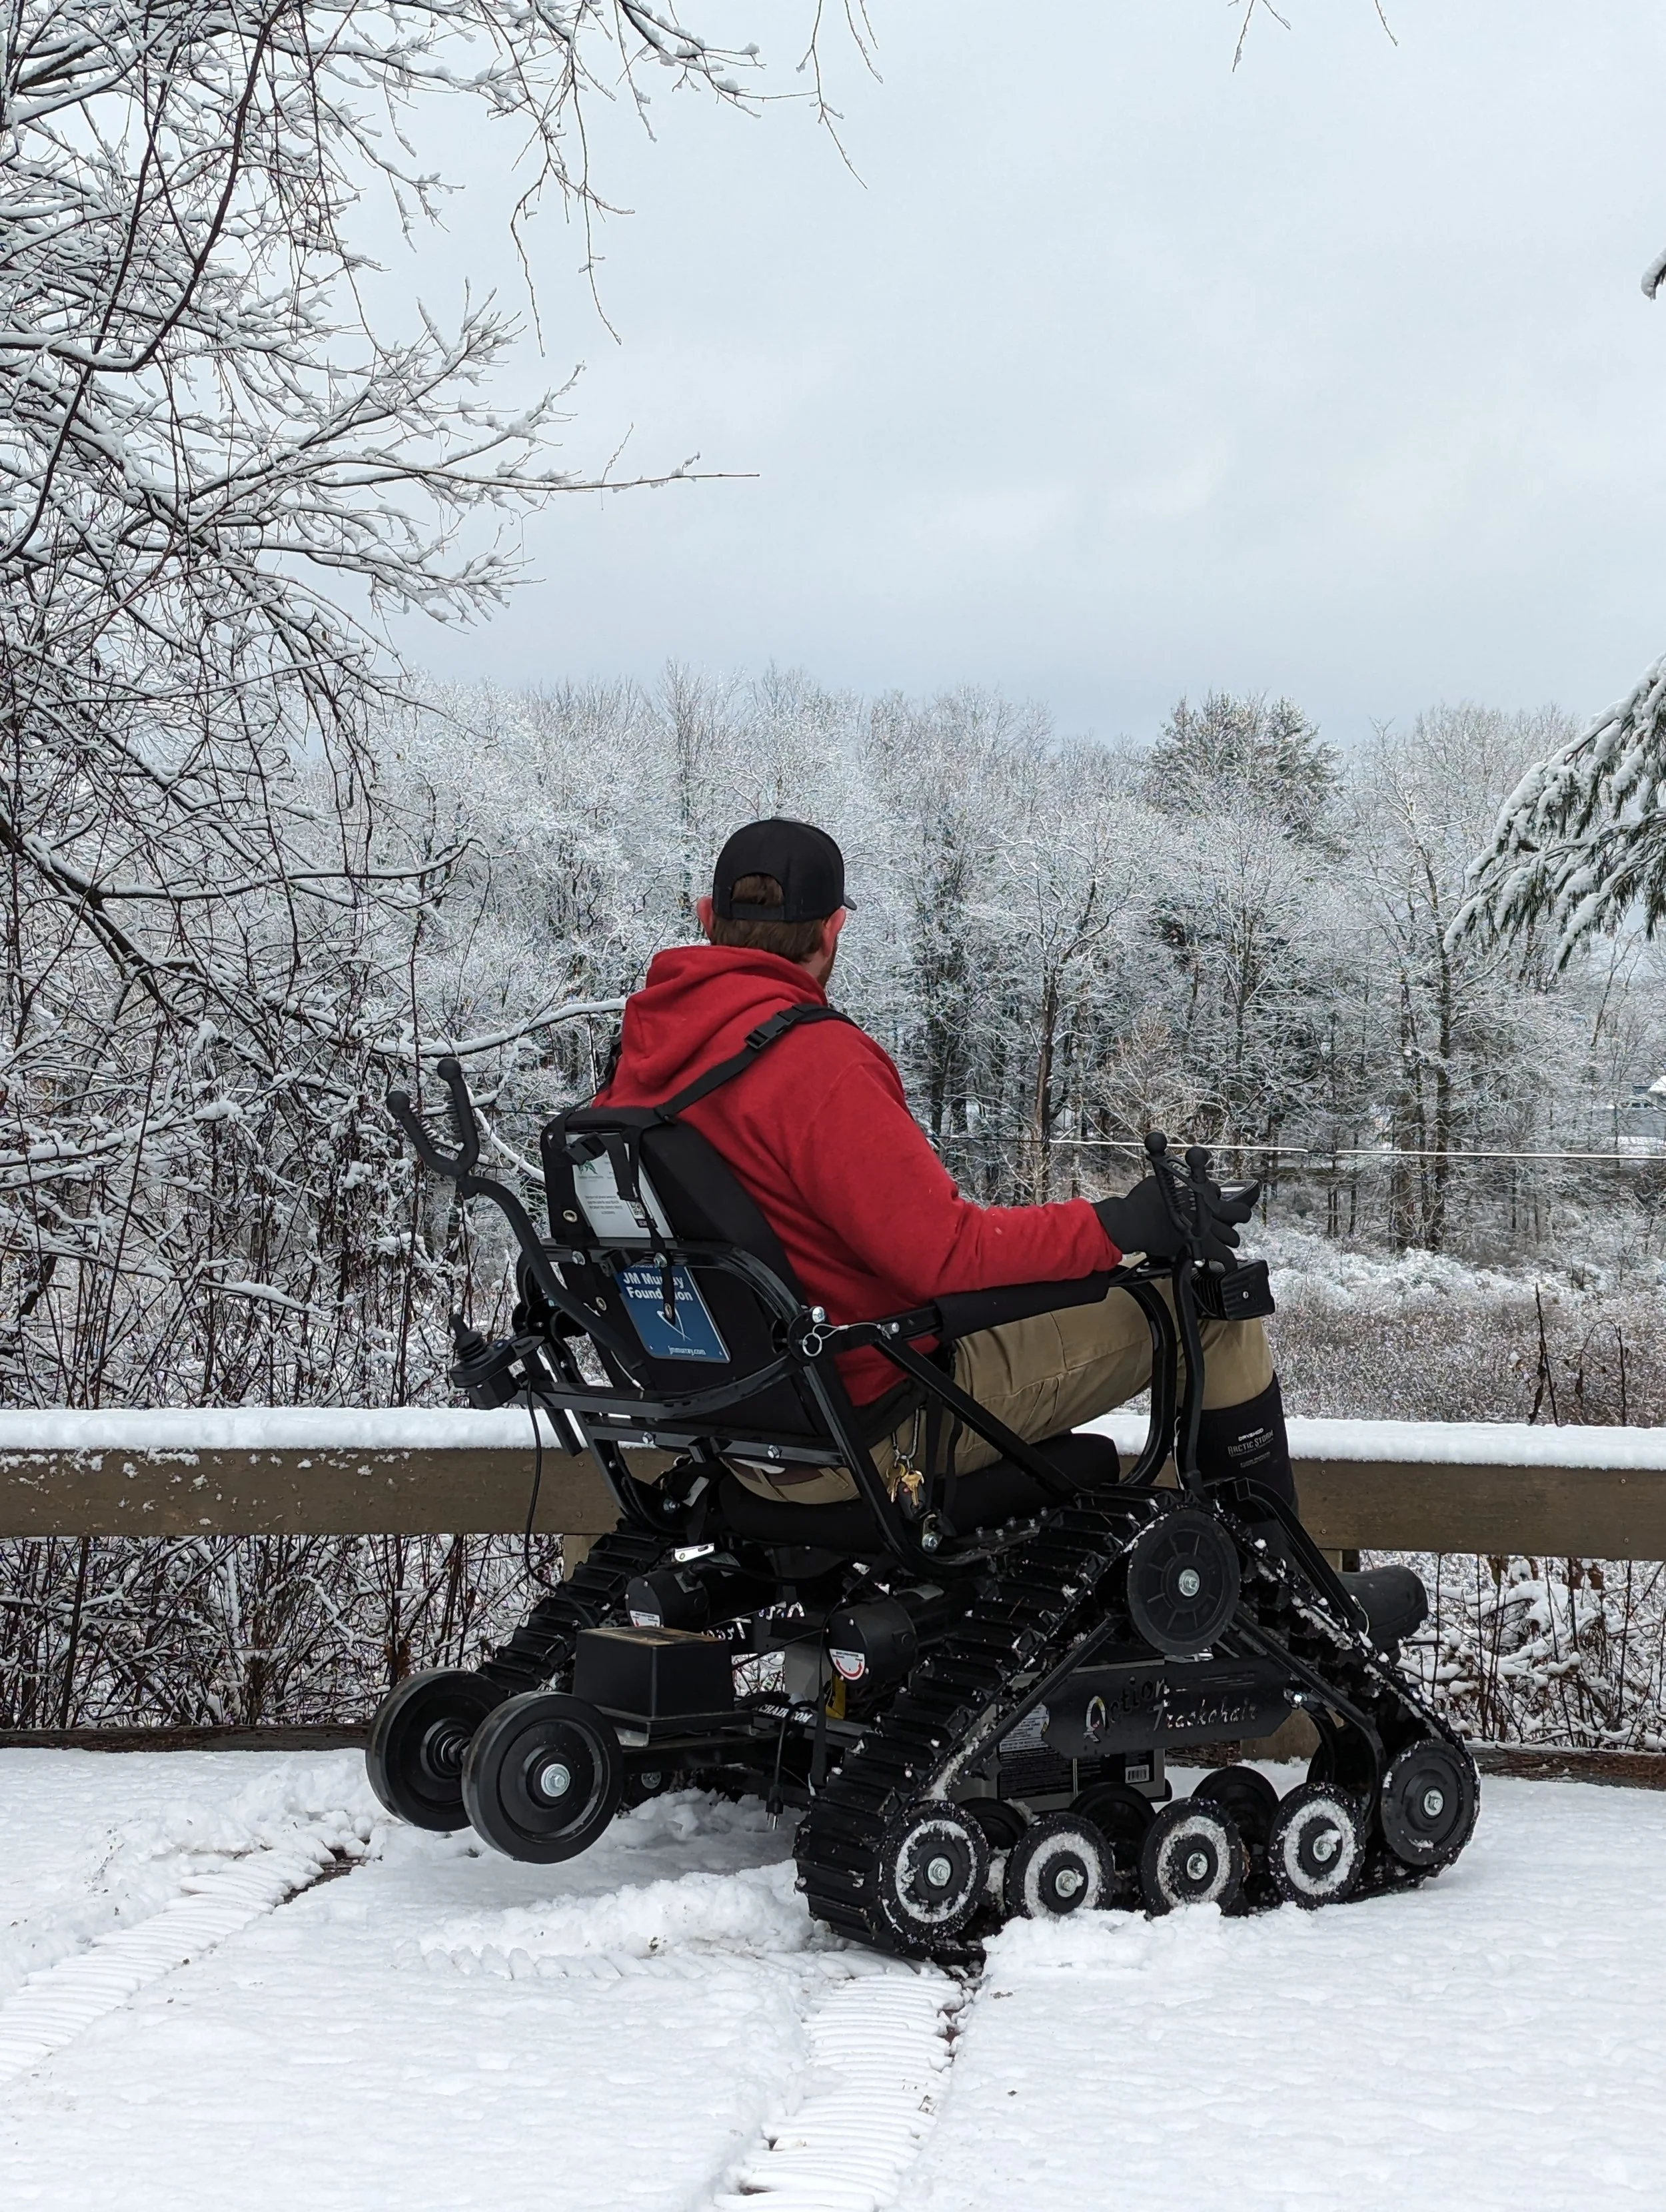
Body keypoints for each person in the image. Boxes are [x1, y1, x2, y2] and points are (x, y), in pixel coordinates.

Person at [596, 816, 1295, 1510]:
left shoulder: (636, 1065)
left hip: (738, 1428)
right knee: (1208, 1306)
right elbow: (942, 1255)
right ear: (833, 929)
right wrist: (1121, 1224)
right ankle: (1277, 1589)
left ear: (705, 916)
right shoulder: (813, 1062)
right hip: (873, 1422)